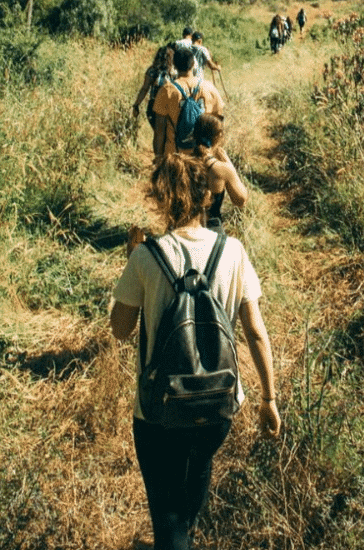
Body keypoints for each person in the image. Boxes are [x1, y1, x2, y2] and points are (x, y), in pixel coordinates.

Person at [111, 153, 281, 550]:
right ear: (207, 198)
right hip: (217, 404)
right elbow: (256, 332)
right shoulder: (233, 251)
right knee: (190, 494)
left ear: (160, 199)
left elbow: (120, 331)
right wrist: (269, 399)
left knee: (167, 515)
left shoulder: (145, 257)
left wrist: (131, 259)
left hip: (159, 409)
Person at [152, 46, 224, 159]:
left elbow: (159, 131)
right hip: (203, 157)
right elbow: (219, 125)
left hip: (175, 157)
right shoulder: (208, 87)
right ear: (193, 65)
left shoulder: (166, 90)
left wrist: (158, 158)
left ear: (174, 66)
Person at [193, 113, 248, 231]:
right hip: (211, 227)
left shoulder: (182, 162)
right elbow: (241, 200)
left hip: (185, 227)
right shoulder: (220, 169)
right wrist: (230, 166)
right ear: (218, 136)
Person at [132, 42, 176, 128]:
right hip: (170, 105)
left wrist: (136, 104)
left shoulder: (152, 70)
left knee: (157, 134)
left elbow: (144, 89)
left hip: (154, 105)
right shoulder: (174, 72)